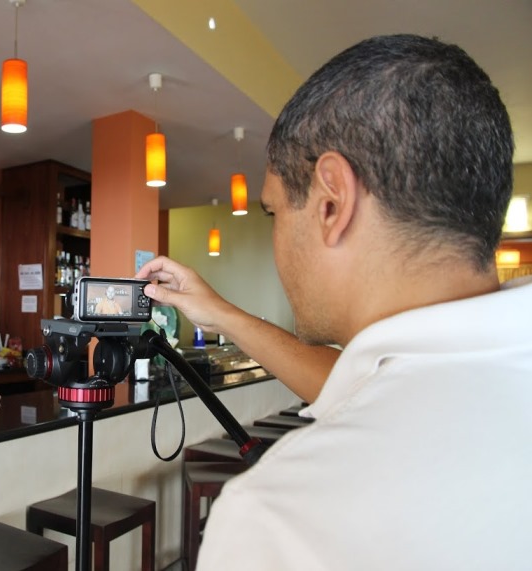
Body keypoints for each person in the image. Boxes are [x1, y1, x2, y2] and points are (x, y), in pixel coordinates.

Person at [137, 34, 530, 569]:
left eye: (274, 213)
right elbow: (367, 385)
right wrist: (220, 311)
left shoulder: (278, 518)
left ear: (331, 203)